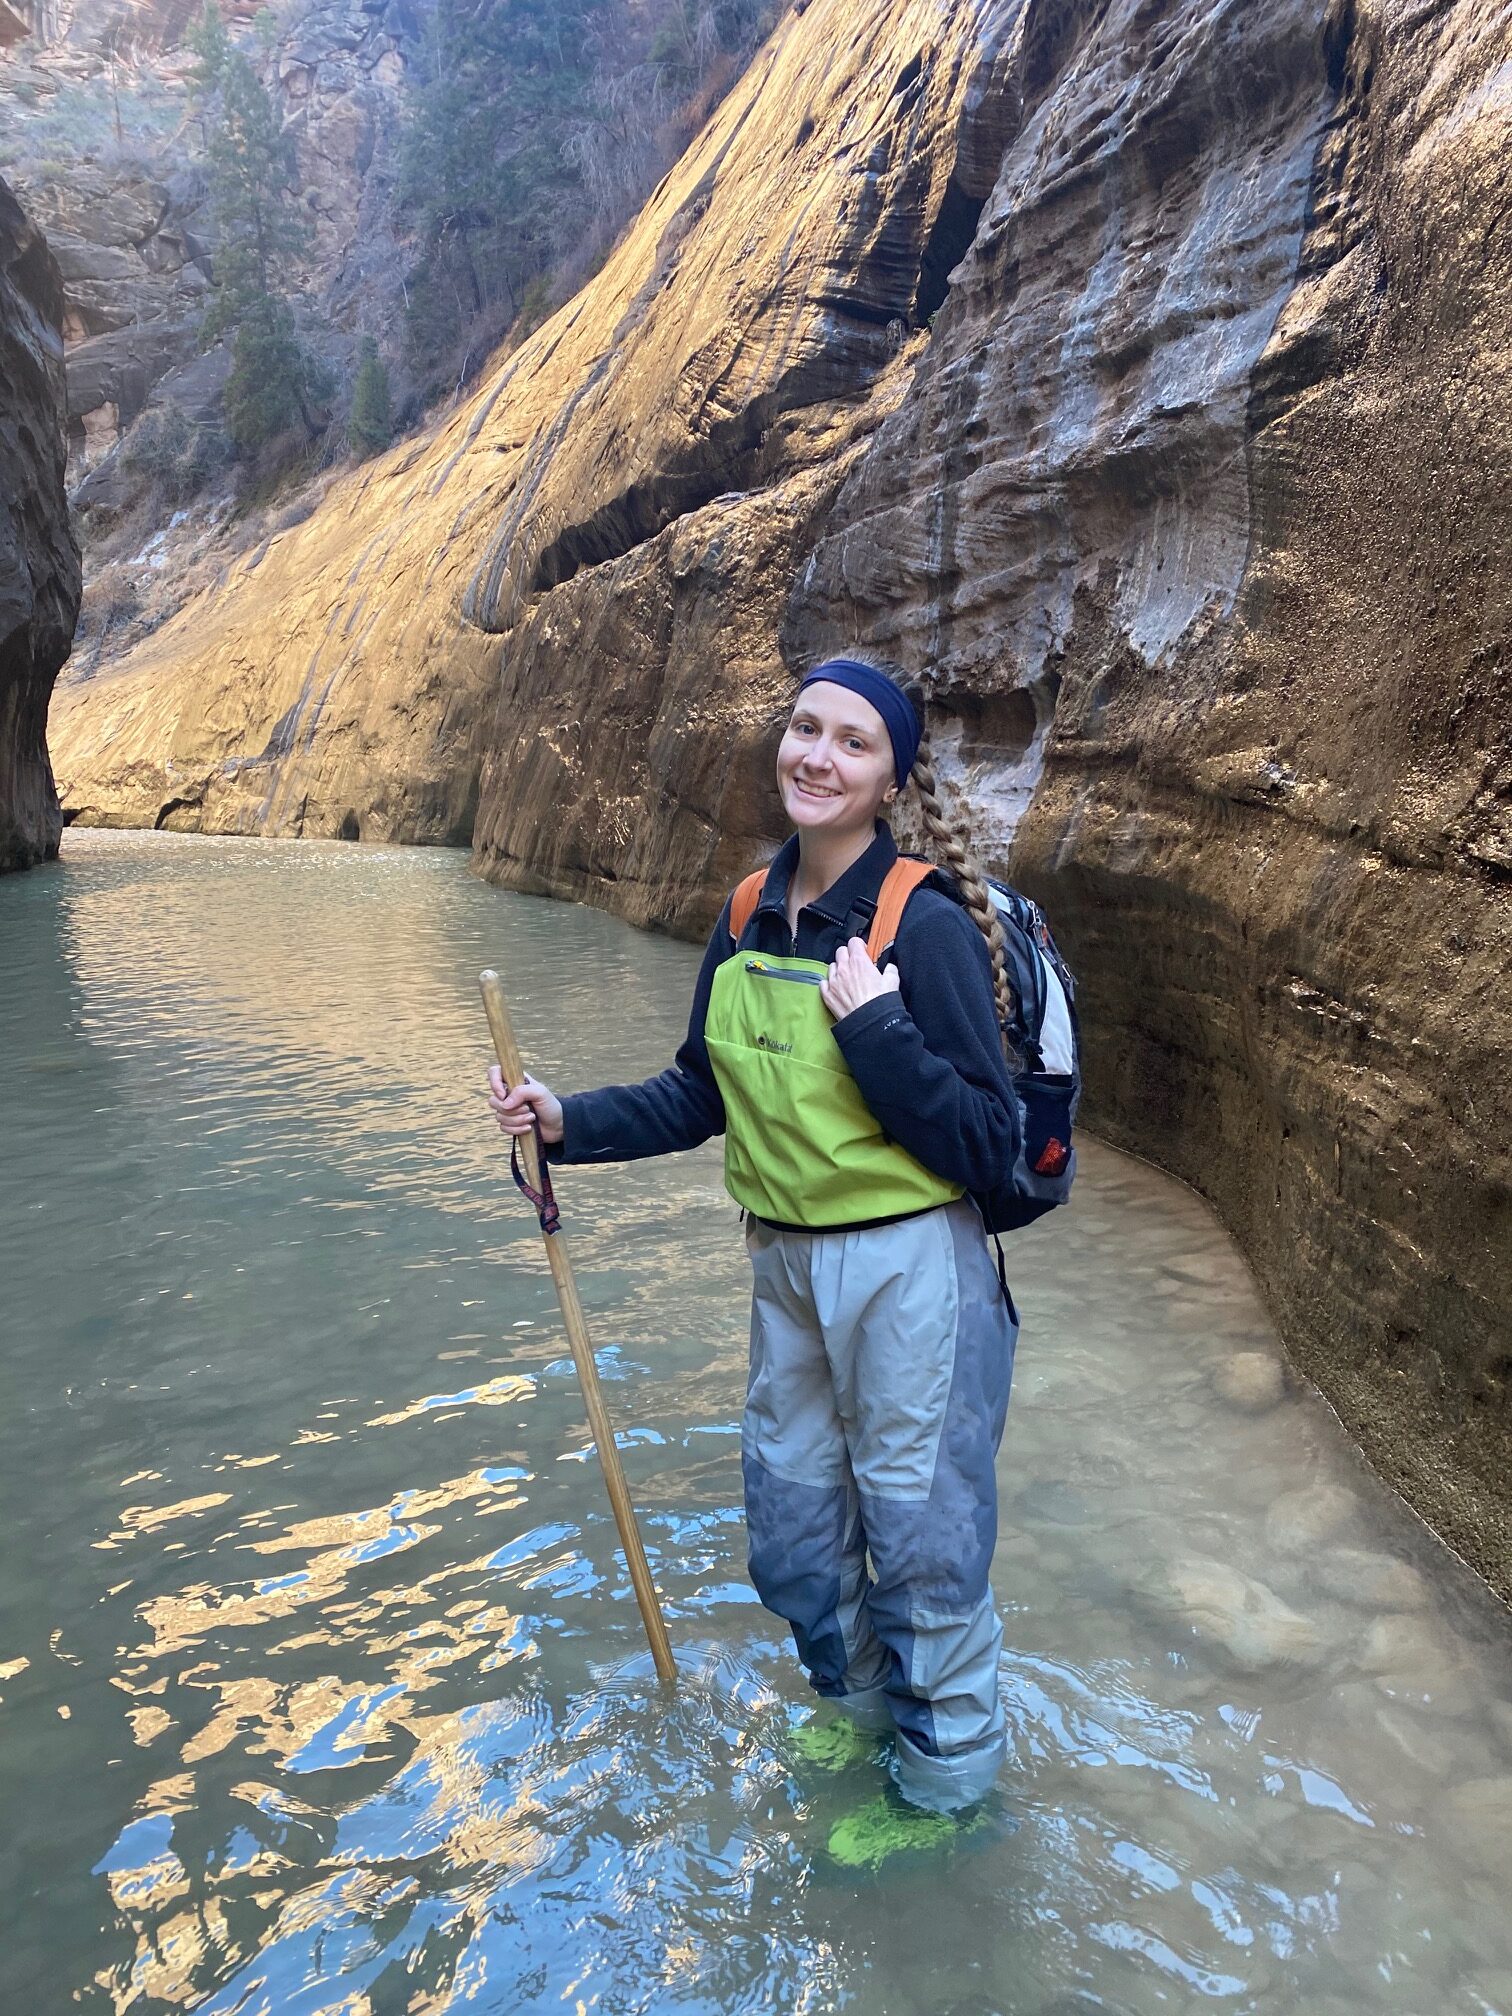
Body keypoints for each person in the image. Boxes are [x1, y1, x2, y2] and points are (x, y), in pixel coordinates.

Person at [488, 658, 1021, 1859]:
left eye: (851, 743)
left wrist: (879, 1032)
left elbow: (990, 1144)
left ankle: (946, 1797)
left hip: (910, 1275)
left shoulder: (922, 926)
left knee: (921, 1538)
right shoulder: (745, 913)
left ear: (890, 780)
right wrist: (567, 1121)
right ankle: (859, 1712)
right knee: (795, 1526)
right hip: (782, 1268)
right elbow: (699, 1093)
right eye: (803, 730)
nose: (816, 757)